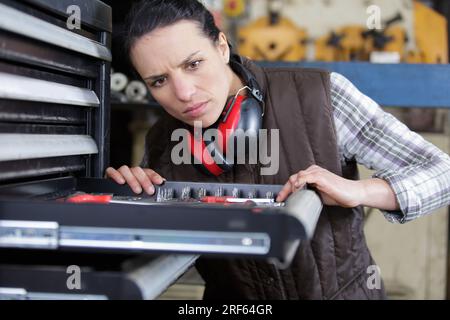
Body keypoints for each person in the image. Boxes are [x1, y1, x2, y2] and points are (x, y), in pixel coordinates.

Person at [106, 0, 450, 299]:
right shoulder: (161, 141)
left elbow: (442, 173)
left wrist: (359, 190)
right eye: (159, 81)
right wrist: (132, 202)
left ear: (222, 47)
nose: (183, 93)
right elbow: (167, 260)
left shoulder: (320, 97)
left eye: (193, 64)